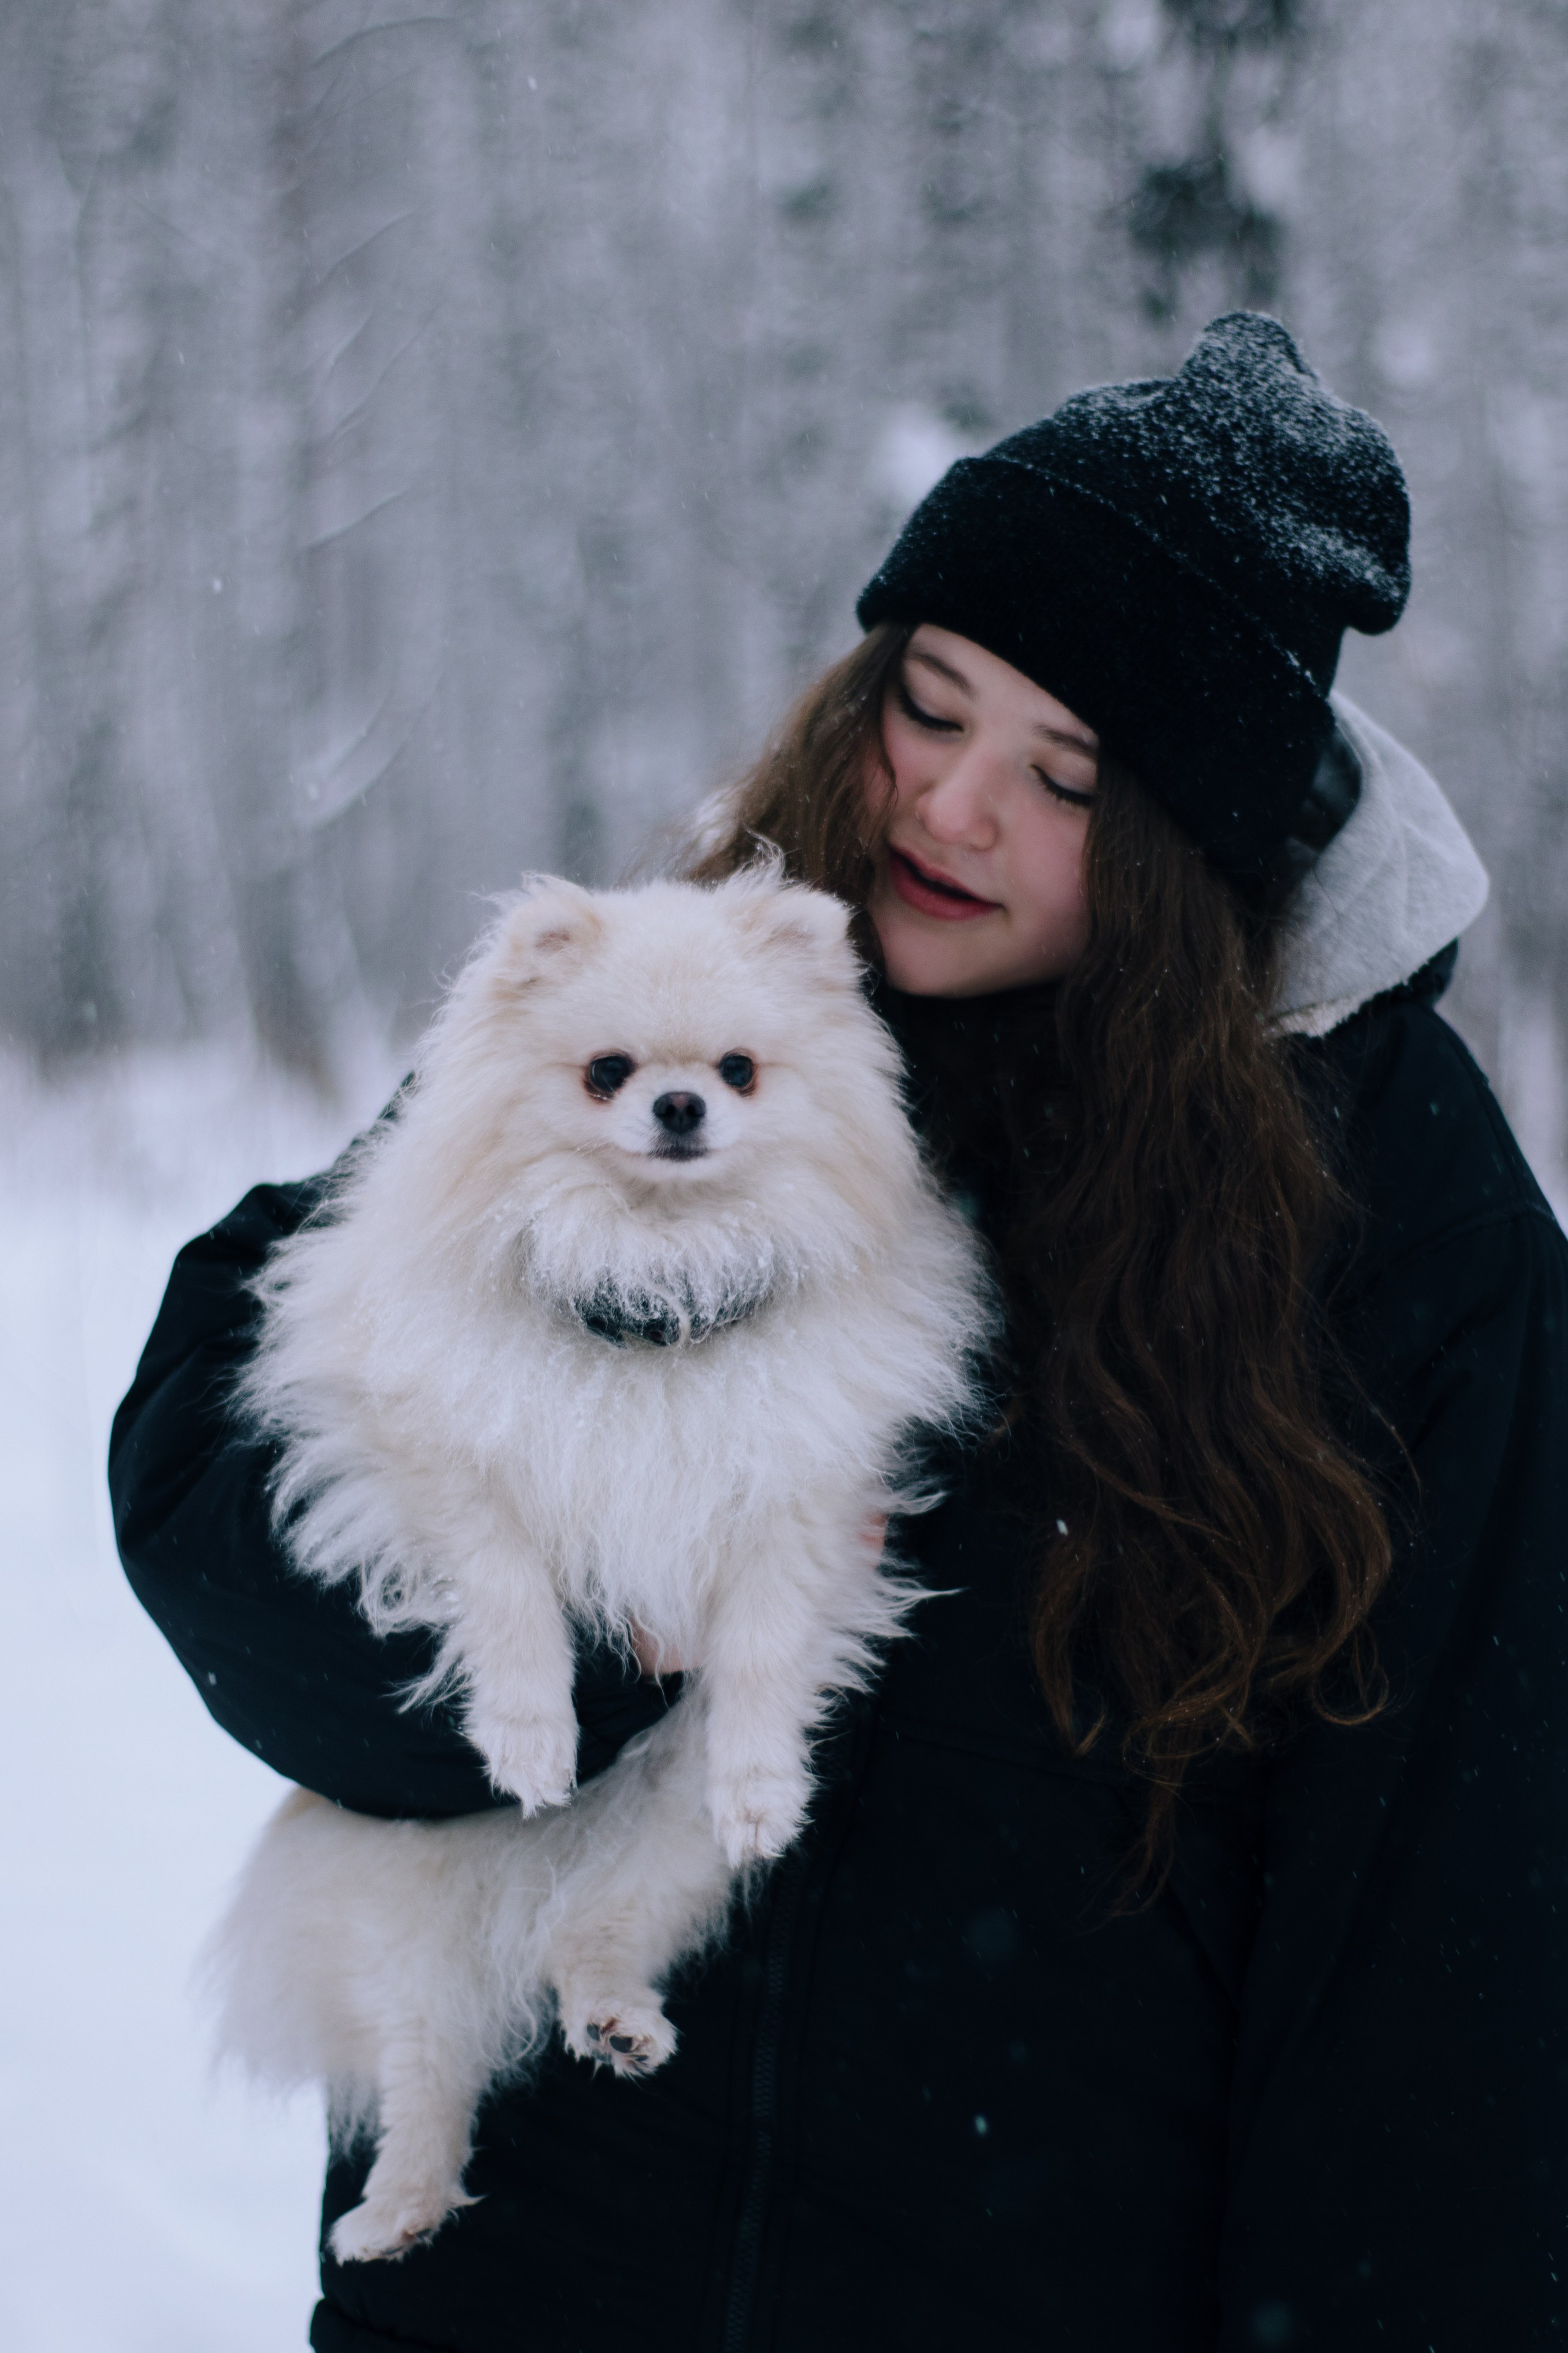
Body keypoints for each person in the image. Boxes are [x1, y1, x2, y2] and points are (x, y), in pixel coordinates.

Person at [111, 313, 1566, 2352]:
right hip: (522, 2281)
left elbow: (1454, 1979)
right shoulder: (691, 993)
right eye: (931, 705)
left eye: (1063, 776)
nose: (949, 810)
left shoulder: (1398, 1223)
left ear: (1192, 855)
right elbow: (218, 1486)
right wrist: (598, 1613)